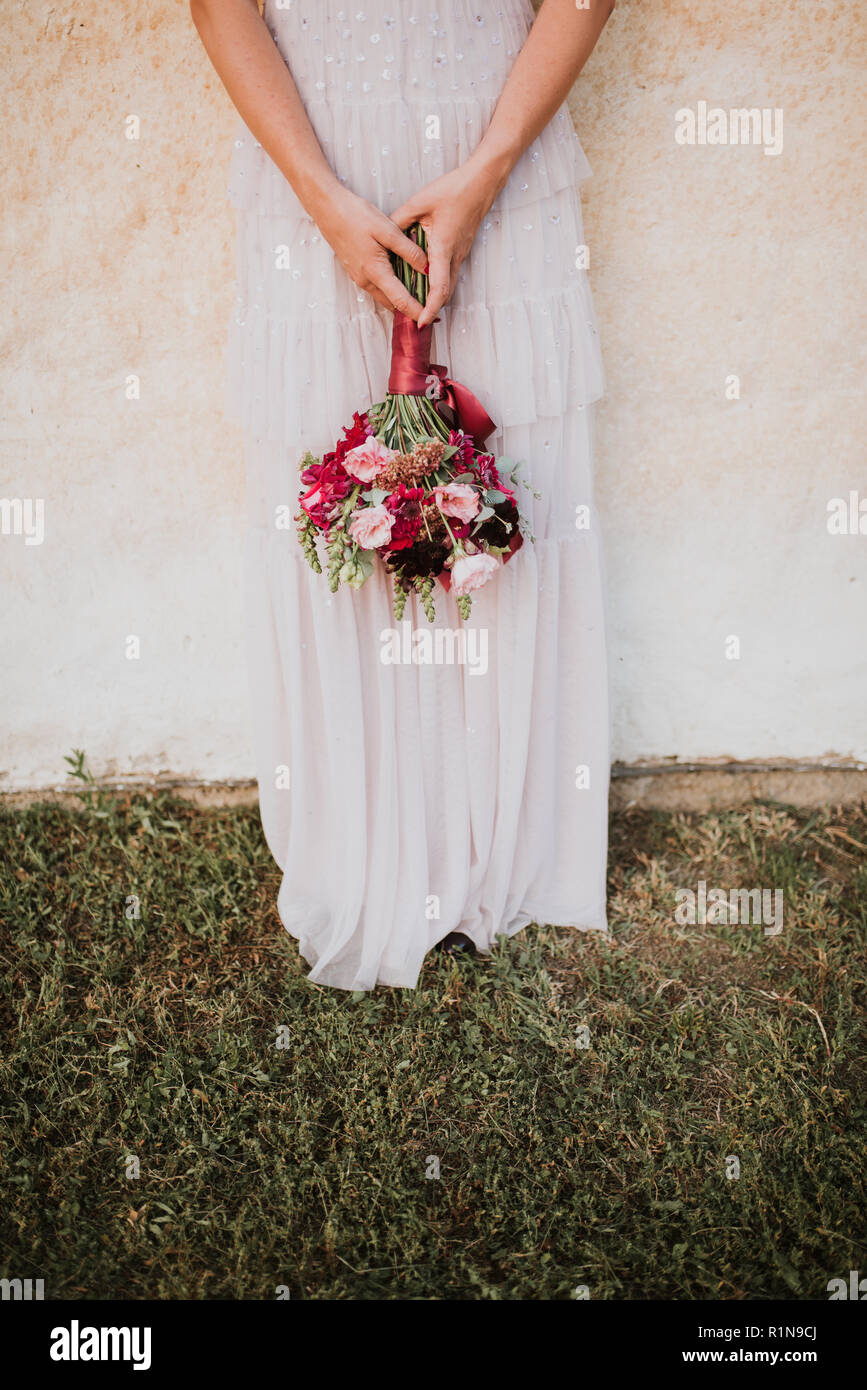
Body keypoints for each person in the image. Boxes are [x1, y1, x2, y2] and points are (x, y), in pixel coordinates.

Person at [190, 0, 615, 990]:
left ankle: (493, 837)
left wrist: (487, 170)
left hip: (493, 141)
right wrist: (322, 199)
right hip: (316, 160)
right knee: (341, 493)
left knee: (502, 480)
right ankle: (364, 838)